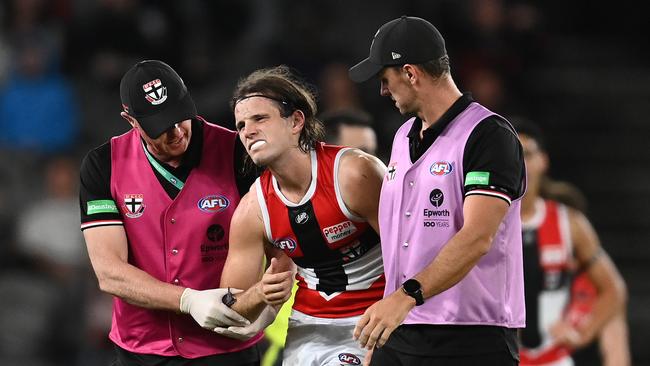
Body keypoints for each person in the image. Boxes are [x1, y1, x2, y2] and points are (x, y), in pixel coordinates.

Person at [349, 16, 526, 365]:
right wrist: (384, 322)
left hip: (469, 335)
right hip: (402, 329)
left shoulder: (488, 135)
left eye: (385, 79)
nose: (383, 91)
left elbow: (477, 236)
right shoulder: (402, 137)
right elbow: (401, 239)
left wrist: (405, 296)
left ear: (411, 73)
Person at [79, 60, 262, 365]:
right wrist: (187, 301)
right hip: (142, 349)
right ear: (131, 120)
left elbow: (279, 239)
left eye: (179, 115)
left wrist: (266, 307)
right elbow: (109, 272)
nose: (177, 131)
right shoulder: (103, 165)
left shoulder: (237, 152)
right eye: (161, 125)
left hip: (228, 345)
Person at [217, 65, 387, 365]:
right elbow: (228, 309)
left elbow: (413, 256)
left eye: (259, 118)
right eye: (241, 125)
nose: (248, 131)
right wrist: (259, 293)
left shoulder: (354, 173)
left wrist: (396, 328)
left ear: (296, 121)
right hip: (307, 330)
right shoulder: (253, 210)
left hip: (375, 320)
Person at [513, 119, 628, 366]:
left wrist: (582, 332)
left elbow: (613, 290)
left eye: (528, 154)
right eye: (513, 154)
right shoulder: (485, 224)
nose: (522, 163)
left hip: (553, 359)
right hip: (503, 358)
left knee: (616, 330)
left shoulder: (570, 223)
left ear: (543, 160)